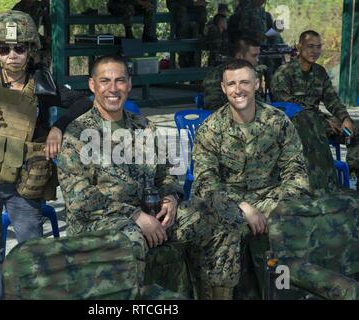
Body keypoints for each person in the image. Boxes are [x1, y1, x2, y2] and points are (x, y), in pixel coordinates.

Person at [56, 55, 242, 300]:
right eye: (105, 81)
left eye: (120, 81)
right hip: (100, 221)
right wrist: (135, 216)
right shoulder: (78, 133)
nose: (113, 89)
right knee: (130, 240)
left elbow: (167, 175)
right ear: (92, 85)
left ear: (129, 84)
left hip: (151, 215)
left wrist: (170, 199)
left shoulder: (145, 128)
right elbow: (80, 198)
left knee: (220, 217)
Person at [0, 10, 92, 300]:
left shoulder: (43, 83)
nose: (12, 55)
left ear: (30, 51)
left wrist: (57, 128)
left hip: (24, 181)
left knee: (32, 249)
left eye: (20, 48)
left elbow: (83, 101)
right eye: (4, 48)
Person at [193, 59, 312, 299]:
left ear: (257, 84)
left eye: (245, 82)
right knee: (223, 226)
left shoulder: (277, 122)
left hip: (271, 196)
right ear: (223, 87)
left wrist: (274, 208)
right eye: (232, 83)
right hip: (231, 202)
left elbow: (296, 172)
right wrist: (242, 207)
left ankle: (287, 291)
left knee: (295, 219)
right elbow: (205, 182)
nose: (238, 89)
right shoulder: (210, 129)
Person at [271, 30, 359, 192]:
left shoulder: (320, 72)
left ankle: (352, 173)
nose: (315, 51)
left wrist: (345, 117)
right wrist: (325, 120)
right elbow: (289, 108)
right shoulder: (283, 73)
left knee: (356, 127)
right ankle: (322, 186)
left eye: (318, 47)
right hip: (298, 127)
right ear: (299, 47)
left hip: (320, 122)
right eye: (310, 46)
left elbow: (332, 100)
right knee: (311, 125)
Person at [203, 36, 264, 111]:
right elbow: (212, 107)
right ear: (239, 56)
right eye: (254, 56)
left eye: (258, 55)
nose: (257, 60)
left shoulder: (252, 73)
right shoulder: (217, 75)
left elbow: (259, 103)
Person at [166, 0, 207, 67]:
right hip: (176, 4)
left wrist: (199, 3)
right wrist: (194, 3)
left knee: (202, 9)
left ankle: (201, 32)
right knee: (181, 10)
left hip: (188, 5)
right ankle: (179, 33)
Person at [12, 0, 52, 67]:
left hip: (35, 36)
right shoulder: (18, 7)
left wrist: (48, 36)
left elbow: (48, 23)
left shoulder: (40, 7)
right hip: (21, 37)